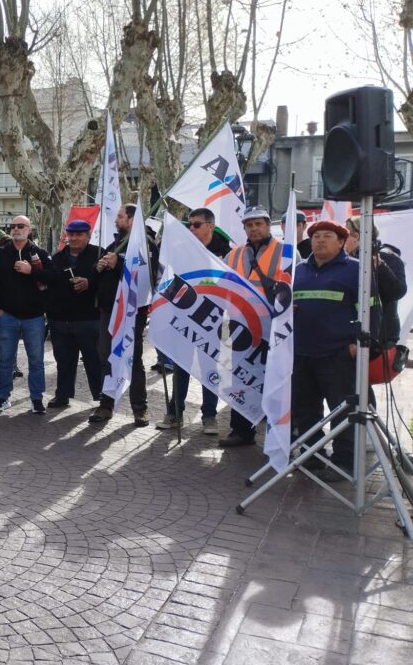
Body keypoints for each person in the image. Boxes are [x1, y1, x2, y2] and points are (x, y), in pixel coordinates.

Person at [292, 221, 370, 481]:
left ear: (341, 241)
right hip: (302, 353)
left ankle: (344, 463)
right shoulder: (298, 271)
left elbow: (372, 311)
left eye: (327, 236)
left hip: (338, 355)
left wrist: (358, 345)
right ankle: (311, 457)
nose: (320, 240)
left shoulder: (356, 271)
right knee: (305, 409)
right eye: (316, 236)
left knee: (342, 412)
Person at [154, 208, 231, 434]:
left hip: (213, 322)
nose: (191, 229)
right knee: (180, 368)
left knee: (210, 370)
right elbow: (168, 281)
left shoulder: (226, 253)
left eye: (196, 224)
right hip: (185, 319)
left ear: (210, 225)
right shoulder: (181, 251)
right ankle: (174, 414)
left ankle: (209, 417)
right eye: (189, 224)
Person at [221, 204, 289, 447]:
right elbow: (223, 288)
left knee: (276, 382)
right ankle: (241, 430)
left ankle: (277, 434)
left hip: (274, 331)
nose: (254, 228)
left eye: (258, 223)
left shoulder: (286, 253)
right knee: (239, 379)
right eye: (249, 225)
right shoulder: (234, 255)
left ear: (268, 225)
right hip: (241, 328)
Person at [91, 204, 157, 427]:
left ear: (131, 220)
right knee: (106, 356)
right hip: (109, 310)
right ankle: (106, 404)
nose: (116, 220)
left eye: (120, 216)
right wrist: (99, 266)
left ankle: (140, 409)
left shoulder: (145, 243)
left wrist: (118, 264)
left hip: (132, 311)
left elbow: (144, 274)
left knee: (133, 357)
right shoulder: (115, 243)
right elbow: (98, 271)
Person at [0, 214, 52, 414]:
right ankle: (3, 397)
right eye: (12, 226)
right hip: (7, 317)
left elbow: (53, 278)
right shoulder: (1, 254)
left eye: (20, 226)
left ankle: (37, 399)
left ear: (29, 230)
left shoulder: (39, 253)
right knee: (5, 359)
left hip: (34, 318)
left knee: (36, 360)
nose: (15, 229)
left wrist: (31, 271)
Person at [45, 219, 102, 409]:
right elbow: (50, 284)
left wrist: (89, 283)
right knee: (63, 360)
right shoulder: (58, 258)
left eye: (79, 235)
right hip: (60, 319)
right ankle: (63, 395)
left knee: (94, 360)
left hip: (89, 319)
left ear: (87, 235)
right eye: (71, 235)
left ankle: (101, 397)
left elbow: (108, 282)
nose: (74, 238)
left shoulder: (98, 255)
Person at [344, 216, 407, 348]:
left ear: (357, 236)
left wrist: (380, 266)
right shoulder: (347, 259)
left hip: (381, 337)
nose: (342, 239)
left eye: (346, 234)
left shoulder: (386, 256)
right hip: (353, 334)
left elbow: (397, 292)